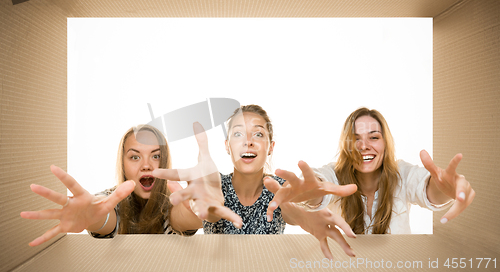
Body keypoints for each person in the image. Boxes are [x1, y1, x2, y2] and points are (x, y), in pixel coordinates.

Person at [154, 105, 357, 258]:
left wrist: (309, 206)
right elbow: (181, 220)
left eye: (258, 134)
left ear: (270, 147)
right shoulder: (212, 186)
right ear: (227, 146)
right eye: (238, 134)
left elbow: (290, 204)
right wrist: (192, 209)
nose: (248, 141)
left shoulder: (279, 188)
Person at [266, 107, 475, 234]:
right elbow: (318, 183)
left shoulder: (402, 174)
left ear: (385, 143)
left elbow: (427, 189)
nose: (364, 146)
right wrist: (308, 193)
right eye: (356, 139)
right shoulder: (334, 175)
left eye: (373, 137)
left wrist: (445, 188)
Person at [20, 124, 237, 246]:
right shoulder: (110, 198)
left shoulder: (175, 198)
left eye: (155, 156)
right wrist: (92, 217)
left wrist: (201, 210)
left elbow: (180, 217)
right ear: (123, 164)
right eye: (135, 157)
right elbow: (105, 216)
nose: (145, 165)